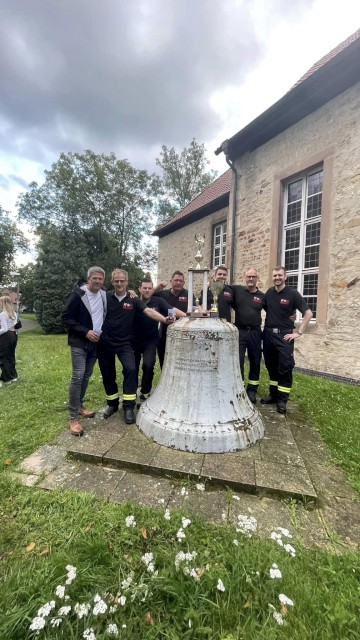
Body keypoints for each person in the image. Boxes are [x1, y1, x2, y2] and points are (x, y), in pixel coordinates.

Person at [98, 269, 174, 424]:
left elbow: (148, 312)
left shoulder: (133, 299)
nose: (119, 283)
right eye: (116, 281)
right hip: (105, 342)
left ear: (127, 282)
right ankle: (112, 404)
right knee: (107, 373)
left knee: (131, 370)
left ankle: (128, 407)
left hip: (125, 343)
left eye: (122, 280)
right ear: (112, 282)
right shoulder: (105, 297)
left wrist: (165, 320)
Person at [261, 265, 313, 415]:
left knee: (285, 367)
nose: (277, 278)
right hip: (269, 335)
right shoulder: (269, 293)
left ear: (285, 277)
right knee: (271, 367)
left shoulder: (293, 294)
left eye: (280, 275)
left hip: (284, 336)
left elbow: (308, 313)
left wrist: (299, 332)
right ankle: (273, 394)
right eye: (275, 275)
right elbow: (268, 309)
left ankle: (282, 400)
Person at [62, 266, 107, 436]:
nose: (97, 281)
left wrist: (132, 293)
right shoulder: (78, 294)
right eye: (94, 278)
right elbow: (65, 316)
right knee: (78, 376)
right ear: (89, 279)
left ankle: (79, 406)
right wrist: (85, 331)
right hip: (79, 342)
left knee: (86, 376)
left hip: (95, 344)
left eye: (100, 279)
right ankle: (73, 418)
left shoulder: (103, 294)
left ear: (103, 281)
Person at [132, 279, 186, 402]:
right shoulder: (134, 300)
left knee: (148, 365)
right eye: (144, 288)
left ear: (152, 289)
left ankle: (145, 394)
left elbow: (172, 310)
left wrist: (186, 316)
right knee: (132, 368)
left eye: (149, 288)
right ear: (139, 289)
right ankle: (131, 393)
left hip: (151, 340)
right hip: (133, 341)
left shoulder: (158, 301)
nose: (147, 290)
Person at [230, 268, 265, 404]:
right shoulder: (237, 291)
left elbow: (273, 309)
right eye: (248, 276)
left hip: (255, 333)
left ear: (257, 279)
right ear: (245, 278)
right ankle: (239, 388)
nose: (251, 279)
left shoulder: (262, 296)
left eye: (253, 277)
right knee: (238, 361)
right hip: (240, 331)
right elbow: (222, 289)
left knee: (255, 361)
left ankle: (252, 390)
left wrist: (290, 314)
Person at [154, 271, 195, 368]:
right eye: (176, 280)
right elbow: (150, 294)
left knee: (180, 362)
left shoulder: (188, 295)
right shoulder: (162, 294)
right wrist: (159, 286)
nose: (178, 283)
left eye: (181, 281)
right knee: (163, 361)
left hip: (183, 333)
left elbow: (193, 311)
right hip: (164, 332)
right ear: (171, 281)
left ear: (184, 283)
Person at [0, 295, 19, 386]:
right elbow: (14, 325)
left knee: (4, 357)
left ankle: (6, 379)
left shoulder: (3, 314)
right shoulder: (14, 313)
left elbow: (4, 329)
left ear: (3, 303)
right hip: (13, 335)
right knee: (11, 356)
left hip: (6, 336)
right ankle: (13, 376)